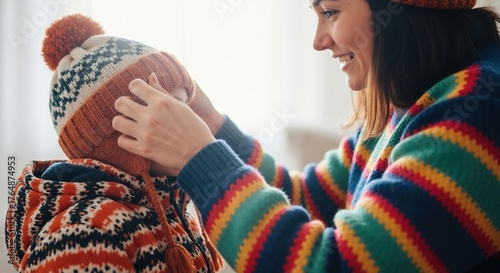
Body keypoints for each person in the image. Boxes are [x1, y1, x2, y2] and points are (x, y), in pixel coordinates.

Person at [112, 0, 500, 272]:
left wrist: (200, 159)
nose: (319, 40)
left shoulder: (476, 111)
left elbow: (334, 265)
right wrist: (213, 126)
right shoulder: (408, 98)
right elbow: (311, 199)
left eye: (330, 12)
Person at [4, 14, 224, 273]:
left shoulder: (175, 205)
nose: (192, 123)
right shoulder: (81, 237)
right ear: (118, 137)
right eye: (171, 109)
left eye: (186, 106)